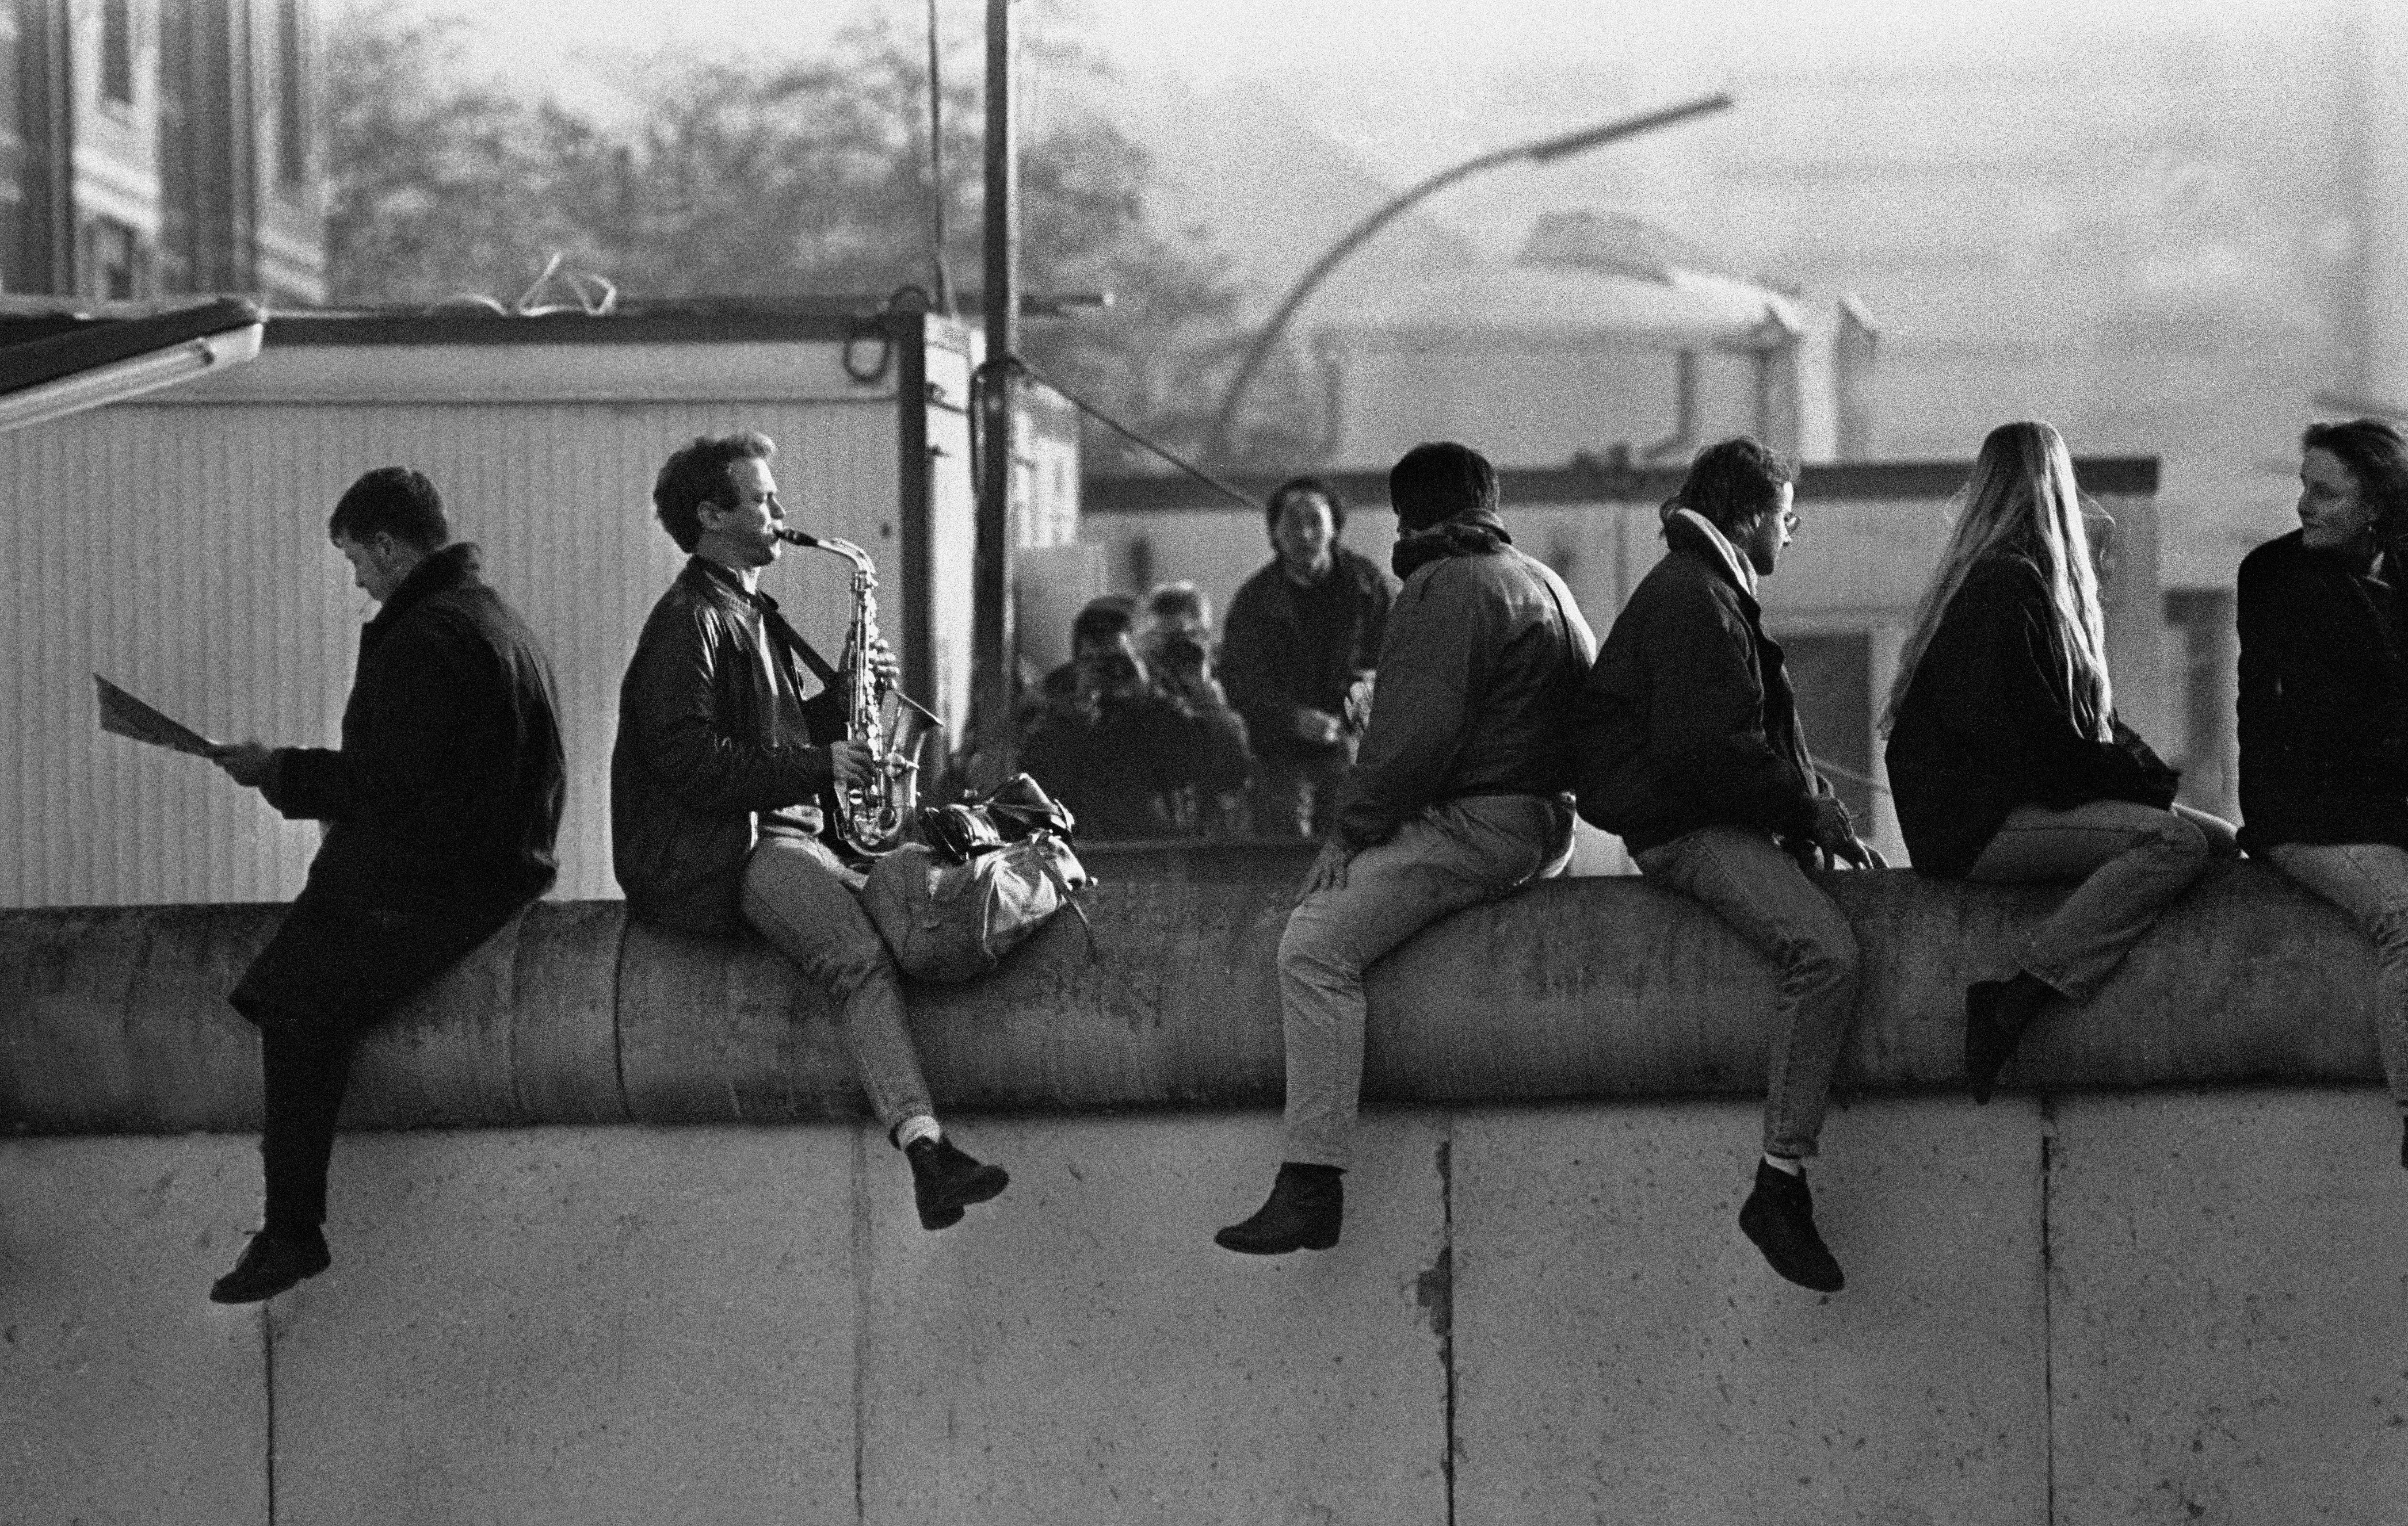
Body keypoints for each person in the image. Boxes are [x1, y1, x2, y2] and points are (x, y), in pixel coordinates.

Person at [612, 431, 1007, 1231]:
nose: (781, 514)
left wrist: (849, 691)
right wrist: (818, 763)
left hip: (782, 832)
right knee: (858, 964)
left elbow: (774, 739)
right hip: (731, 849)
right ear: (711, 515)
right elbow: (690, 762)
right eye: (761, 499)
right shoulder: (690, 619)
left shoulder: (742, 609)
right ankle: (926, 1150)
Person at [1215, 442, 1595, 1255]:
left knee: (1312, 947)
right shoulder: (1543, 582)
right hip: (1550, 823)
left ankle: (1311, 1180)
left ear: (1409, 515)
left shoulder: (1439, 585)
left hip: (1483, 825)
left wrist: (1350, 833)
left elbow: (1411, 742)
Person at [205, 467, 566, 1303]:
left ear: (387, 545)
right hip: (502, 862)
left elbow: (391, 788)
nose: (357, 581)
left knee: (294, 997)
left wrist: (278, 773)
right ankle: (288, 1232)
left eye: (356, 561)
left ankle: (293, 1229)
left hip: (455, 878)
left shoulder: (424, 638)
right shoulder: (486, 619)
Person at [1575, 436, 1880, 1293]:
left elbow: (1723, 745)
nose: (1791, 534)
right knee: (1823, 953)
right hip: (1684, 831)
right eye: (1784, 519)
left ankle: (1781, 1186)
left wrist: (1800, 808)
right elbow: (1709, 751)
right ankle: (1777, 1182)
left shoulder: (1691, 587)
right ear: (1746, 518)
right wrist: (1808, 808)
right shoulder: (1696, 598)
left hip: (1687, 819)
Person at [1882, 421, 2238, 1105]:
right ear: (2053, 490)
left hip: (2003, 806)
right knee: (2173, 842)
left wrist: (2146, 782)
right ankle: (2016, 997)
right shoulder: (2005, 589)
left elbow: (2080, 731)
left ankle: (2024, 992)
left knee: (2218, 842)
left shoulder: (2006, 584)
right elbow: (2047, 748)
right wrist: (2148, 789)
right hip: (1973, 826)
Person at [2238, 418, 2408, 1171]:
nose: (2303, 506)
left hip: (2381, 807)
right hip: (2311, 817)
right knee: (2404, 921)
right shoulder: (2276, 578)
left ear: (2374, 503)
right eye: (2303, 488)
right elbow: (2324, 725)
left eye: (2323, 491)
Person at [1220, 477, 1394, 838]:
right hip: (1280, 758)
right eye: (1292, 524)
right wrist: (1291, 718)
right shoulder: (1253, 601)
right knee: (1285, 863)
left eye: (1315, 522)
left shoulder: (1368, 587)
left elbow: (1397, 660)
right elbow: (1240, 682)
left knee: (1351, 856)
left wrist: (1359, 710)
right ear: (1274, 533)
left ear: (1334, 527)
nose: (1304, 535)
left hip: (1355, 751)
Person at [1016, 595, 1250, 839]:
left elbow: (1231, 766)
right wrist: (1081, 709)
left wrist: (1153, 699)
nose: (1111, 671)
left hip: (1164, 852)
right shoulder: (1055, 711)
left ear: (1143, 660)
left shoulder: (1166, 704)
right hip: (1088, 854)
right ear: (1077, 664)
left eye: (1120, 661)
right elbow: (1036, 788)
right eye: (1097, 662)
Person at [1137, 581, 1252, 835]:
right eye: (1165, 640)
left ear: (1208, 636)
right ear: (1146, 640)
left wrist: (1206, 693)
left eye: (1187, 638)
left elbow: (1238, 766)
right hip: (1165, 815)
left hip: (1223, 819)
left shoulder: (1232, 680)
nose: (1175, 650)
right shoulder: (1142, 687)